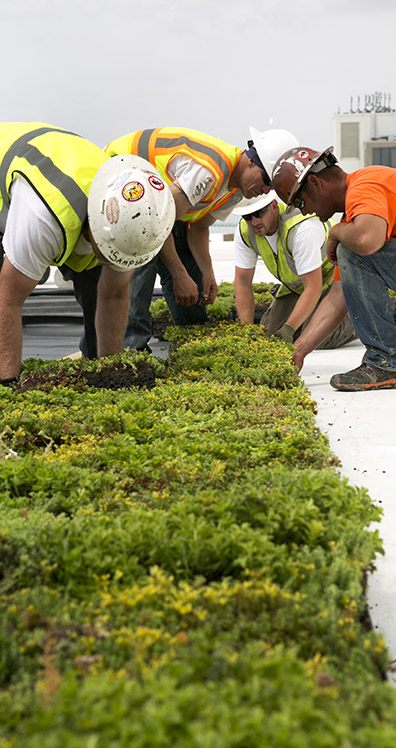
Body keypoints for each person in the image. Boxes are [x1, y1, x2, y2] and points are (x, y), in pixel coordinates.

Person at [0, 123, 175, 383]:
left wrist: (110, 374)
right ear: (97, 221)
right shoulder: (44, 215)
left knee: (97, 281)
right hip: (20, 172)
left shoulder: (127, 211)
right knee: (17, 278)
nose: (113, 259)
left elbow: (114, 295)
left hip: (55, 170)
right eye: (110, 249)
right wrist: (8, 385)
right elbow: (9, 298)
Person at [104, 126, 299, 351]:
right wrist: (179, 275)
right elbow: (156, 223)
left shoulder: (235, 190)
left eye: (271, 187)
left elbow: (198, 227)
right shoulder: (209, 170)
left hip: (158, 208)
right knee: (142, 257)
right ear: (251, 162)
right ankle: (131, 350)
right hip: (120, 180)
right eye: (266, 180)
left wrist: (207, 273)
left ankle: (189, 341)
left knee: (191, 277)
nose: (265, 190)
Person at [272, 145, 396, 391]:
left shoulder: (366, 184)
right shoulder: (355, 212)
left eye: (300, 200)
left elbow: (366, 239)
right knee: (349, 248)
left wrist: (335, 233)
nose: (303, 210)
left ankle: (385, 362)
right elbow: (337, 297)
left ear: (316, 183)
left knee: (350, 248)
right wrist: (298, 351)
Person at [233, 190, 355, 347]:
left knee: (318, 339)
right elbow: (243, 283)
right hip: (298, 287)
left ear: (274, 206)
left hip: (333, 283)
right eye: (247, 216)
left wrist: (289, 329)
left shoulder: (302, 229)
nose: (254, 222)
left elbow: (313, 287)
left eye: (259, 213)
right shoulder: (245, 231)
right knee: (269, 334)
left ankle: (357, 317)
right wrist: (246, 331)